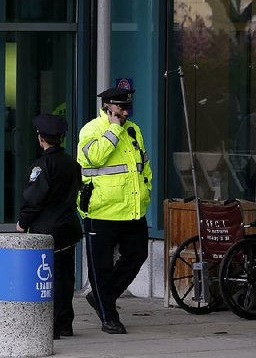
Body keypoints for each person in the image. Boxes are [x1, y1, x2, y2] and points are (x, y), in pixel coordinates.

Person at [77, 86, 151, 334]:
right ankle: (109, 317)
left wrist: (146, 191)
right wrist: (114, 128)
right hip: (101, 212)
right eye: (121, 107)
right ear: (108, 107)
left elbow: (143, 165)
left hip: (132, 211)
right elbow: (95, 158)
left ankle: (101, 297)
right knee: (101, 267)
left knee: (138, 254)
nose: (126, 111)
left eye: (128, 107)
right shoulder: (91, 130)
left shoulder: (134, 129)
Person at [16, 114, 82, 339]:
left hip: (46, 230)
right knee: (65, 277)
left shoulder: (42, 165)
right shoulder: (72, 163)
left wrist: (22, 222)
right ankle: (65, 322)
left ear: (41, 138)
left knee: (46, 279)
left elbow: (34, 198)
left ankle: (51, 325)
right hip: (68, 228)